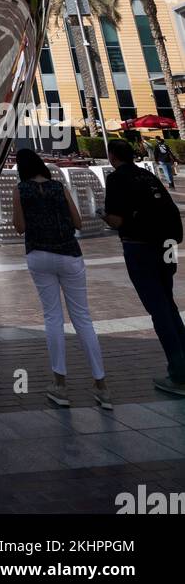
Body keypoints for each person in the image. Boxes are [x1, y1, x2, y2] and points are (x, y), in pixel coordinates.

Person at [12, 148, 111, 409]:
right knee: (83, 318)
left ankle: (60, 384)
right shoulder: (59, 187)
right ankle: (101, 386)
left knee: (52, 318)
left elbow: (19, 227)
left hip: (39, 254)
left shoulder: (20, 190)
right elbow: (78, 222)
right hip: (69, 253)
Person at [103, 139, 185, 397]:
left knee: (158, 310)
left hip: (140, 248)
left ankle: (179, 373)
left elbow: (117, 219)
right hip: (167, 247)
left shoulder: (117, 179)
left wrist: (102, 215)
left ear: (113, 157)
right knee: (168, 306)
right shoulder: (147, 175)